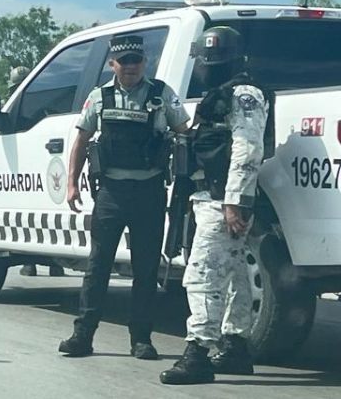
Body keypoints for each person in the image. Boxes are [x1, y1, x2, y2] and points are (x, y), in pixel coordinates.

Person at [59, 35, 190, 360]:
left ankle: (141, 340)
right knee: (98, 266)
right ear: (112, 64)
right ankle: (82, 335)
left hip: (149, 192)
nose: (131, 67)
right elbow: (82, 140)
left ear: (144, 63)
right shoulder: (99, 97)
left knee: (146, 270)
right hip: (112, 194)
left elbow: (185, 131)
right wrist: (71, 184)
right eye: (124, 61)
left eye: (136, 60)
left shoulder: (161, 95)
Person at [160, 26, 272, 385]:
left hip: (222, 198)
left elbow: (247, 149)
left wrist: (234, 201)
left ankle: (199, 352)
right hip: (211, 196)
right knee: (236, 271)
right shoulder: (222, 94)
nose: (208, 66)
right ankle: (235, 345)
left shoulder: (243, 95)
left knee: (202, 275)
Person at [9, 66, 65, 278]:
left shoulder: (22, 111)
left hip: (32, 169)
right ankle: (50, 264)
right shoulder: (46, 108)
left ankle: (36, 262)